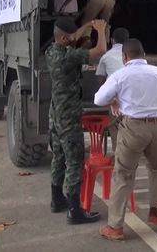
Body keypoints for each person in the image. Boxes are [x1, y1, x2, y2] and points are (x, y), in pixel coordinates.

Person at [94, 39, 157, 241]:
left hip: (133, 127)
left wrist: (116, 100)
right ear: (143, 55)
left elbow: (98, 99)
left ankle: (115, 227)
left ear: (124, 57)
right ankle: (155, 213)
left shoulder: (120, 75)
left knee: (123, 174)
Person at [45, 17, 107, 225]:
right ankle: (75, 210)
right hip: (70, 118)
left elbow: (72, 37)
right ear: (64, 38)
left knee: (59, 158)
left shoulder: (52, 51)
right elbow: (99, 51)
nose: (74, 38)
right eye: (70, 37)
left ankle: (57, 200)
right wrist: (100, 31)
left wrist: (87, 25)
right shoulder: (69, 56)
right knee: (74, 162)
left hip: (55, 117)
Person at [96, 27, 130, 152]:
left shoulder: (106, 56)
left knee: (115, 127)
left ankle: (118, 155)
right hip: (132, 98)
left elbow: (100, 79)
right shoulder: (130, 55)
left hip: (116, 100)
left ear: (112, 40)